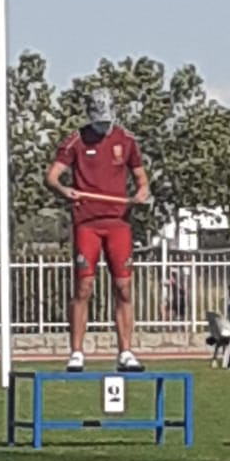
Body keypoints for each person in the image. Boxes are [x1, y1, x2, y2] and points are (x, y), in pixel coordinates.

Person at [46, 88, 150, 373]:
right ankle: (77, 352)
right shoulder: (76, 141)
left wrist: (141, 193)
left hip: (118, 223)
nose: (103, 127)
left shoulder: (126, 140)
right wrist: (63, 189)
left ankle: (126, 351)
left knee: (123, 287)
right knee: (84, 286)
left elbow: (142, 179)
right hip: (87, 223)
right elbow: (52, 176)